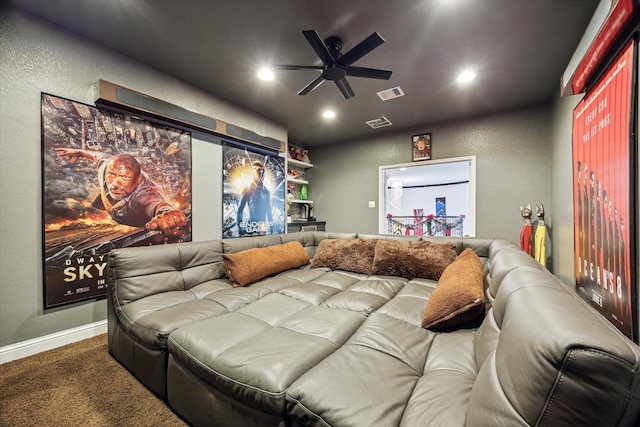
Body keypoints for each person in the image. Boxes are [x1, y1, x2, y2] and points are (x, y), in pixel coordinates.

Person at [54, 148, 187, 237]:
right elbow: (97, 156)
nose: (115, 183)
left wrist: (166, 213)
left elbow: (156, 203)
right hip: (107, 205)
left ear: (138, 179)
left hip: (133, 220)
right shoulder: (106, 166)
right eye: (112, 175)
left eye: (124, 177)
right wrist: (79, 153)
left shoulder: (145, 193)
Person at [236, 160, 272, 235]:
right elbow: (239, 211)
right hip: (251, 226)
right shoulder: (248, 189)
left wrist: (272, 228)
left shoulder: (266, 191)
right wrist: (240, 229)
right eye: (258, 171)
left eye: (262, 171)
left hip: (262, 227)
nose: (260, 174)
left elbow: (268, 210)